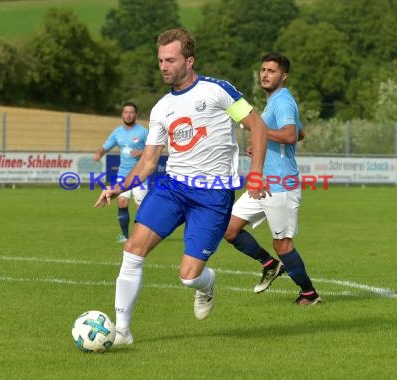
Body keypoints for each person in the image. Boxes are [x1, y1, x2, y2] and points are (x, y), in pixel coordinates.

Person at [94, 28, 268, 345]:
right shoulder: (161, 109)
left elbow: (255, 124)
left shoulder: (217, 91)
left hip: (213, 196)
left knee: (188, 277)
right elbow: (148, 162)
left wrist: (255, 173)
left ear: (189, 61)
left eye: (170, 60)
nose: (163, 66)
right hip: (173, 187)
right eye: (160, 60)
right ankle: (122, 332)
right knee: (132, 250)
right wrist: (119, 187)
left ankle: (206, 283)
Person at [223, 52, 321, 305]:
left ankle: (309, 294)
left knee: (283, 244)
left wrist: (260, 132)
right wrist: (261, 142)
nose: (265, 75)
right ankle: (269, 265)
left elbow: (289, 135)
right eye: (263, 70)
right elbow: (299, 133)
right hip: (263, 184)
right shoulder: (273, 102)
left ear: (284, 76)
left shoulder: (283, 101)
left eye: (272, 71)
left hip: (281, 184)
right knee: (229, 229)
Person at [93, 102, 148, 243]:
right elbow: (105, 146)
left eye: (131, 112)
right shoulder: (117, 133)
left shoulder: (143, 132)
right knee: (122, 202)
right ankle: (125, 236)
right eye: (125, 112)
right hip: (123, 174)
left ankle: (141, 236)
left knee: (140, 207)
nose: (128, 115)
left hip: (140, 175)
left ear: (136, 114)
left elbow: (154, 150)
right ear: (122, 114)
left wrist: (141, 152)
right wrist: (99, 153)